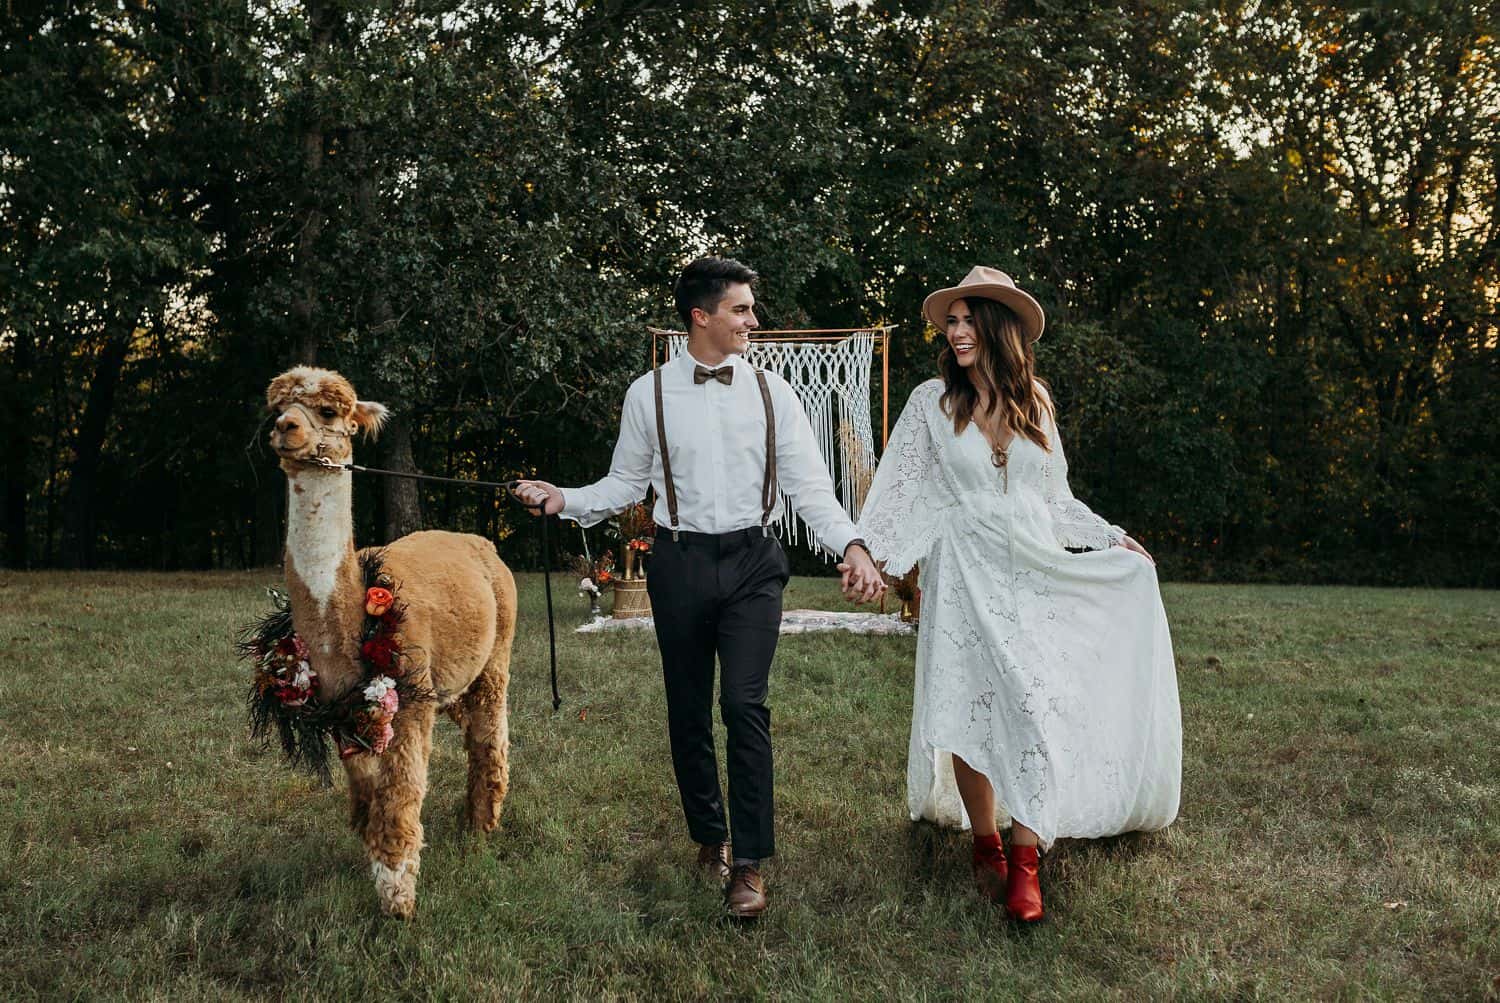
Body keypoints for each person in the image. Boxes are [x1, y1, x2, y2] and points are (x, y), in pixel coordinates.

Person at [513, 256, 886, 919]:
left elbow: (809, 490)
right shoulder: (647, 394)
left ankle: (748, 862)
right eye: (741, 309)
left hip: (752, 563)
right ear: (702, 317)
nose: (752, 320)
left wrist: (852, 545)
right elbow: (623, 487)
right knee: (688, 711)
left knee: (744, 705)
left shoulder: (775, 394)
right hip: (678, 562)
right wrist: (562, 497)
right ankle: (709, 836)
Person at [856, 266, 1181, 922]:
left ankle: (1026, 852)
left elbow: (1053, 498)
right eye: (950, 321)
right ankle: (986, 843)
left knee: (1034, 699)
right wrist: (868, 551)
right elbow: (899, 486)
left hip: (1033, 565)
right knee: (971, 700)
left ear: (998, 326)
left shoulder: (1035, 400)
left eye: (966, 318)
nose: (954, 331)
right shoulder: (930, 402)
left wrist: (1112, 538)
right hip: (964, 571)